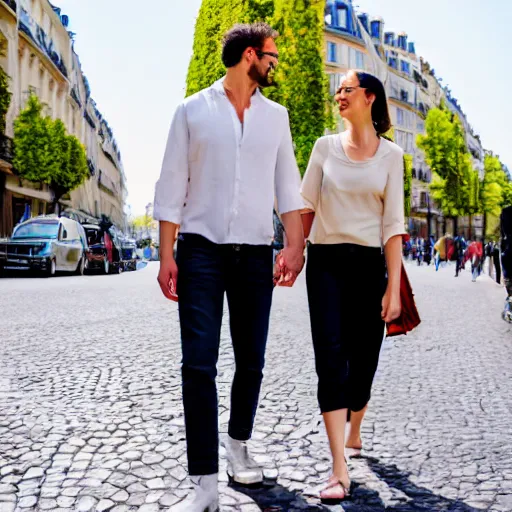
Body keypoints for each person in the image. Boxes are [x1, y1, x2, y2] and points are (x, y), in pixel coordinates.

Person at [153, 23, 305, 511]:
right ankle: (205, 484)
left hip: (255, 252)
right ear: (247, 56)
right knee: (198, 365)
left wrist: (295, 246)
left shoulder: (276, 117)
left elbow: (288, 185)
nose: (275, 62)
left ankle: (238, 443)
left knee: (252, 361)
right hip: (199, 250)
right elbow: (172, 182)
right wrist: (165, 254)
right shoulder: (192, 110)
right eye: (270, 55)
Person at [300, 70, 405, 503]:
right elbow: (305, 204)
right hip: (324, 263)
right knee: (330, 360)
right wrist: (291, 251)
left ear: (370, 97)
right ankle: (338, 467)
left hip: (368, 267)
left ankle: (355, 423)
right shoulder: (324, 147)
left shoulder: (392, 156)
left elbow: (393, 226)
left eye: (346, 89)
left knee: (363, 364)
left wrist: (393, 288)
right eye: (337, 90)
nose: (338, 95)